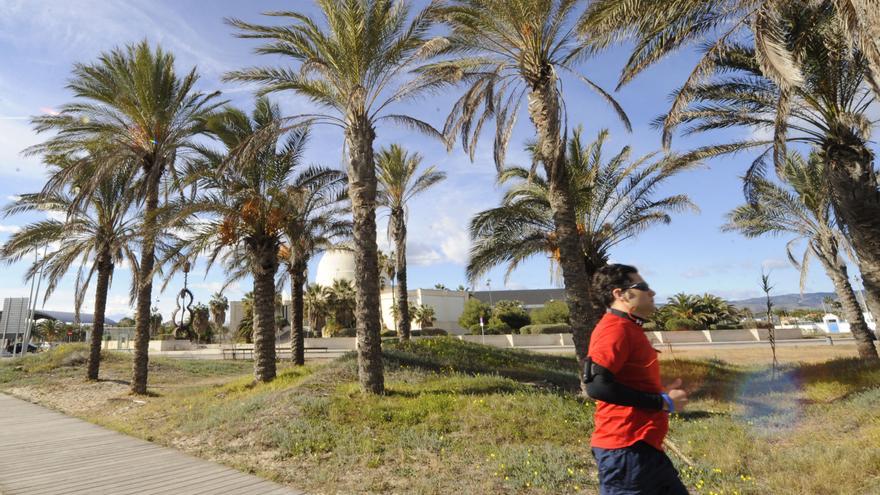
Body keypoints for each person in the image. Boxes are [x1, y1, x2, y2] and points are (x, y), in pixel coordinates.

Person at [584, 263, 689, 495]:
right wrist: (661, 402)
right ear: (620, 294)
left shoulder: (629, 328)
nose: (651, 292)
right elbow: (596, 386)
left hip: (644, 447)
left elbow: (625, 381)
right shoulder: (615, 329)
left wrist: (660, 393)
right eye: (642, 287)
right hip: (625, 450)